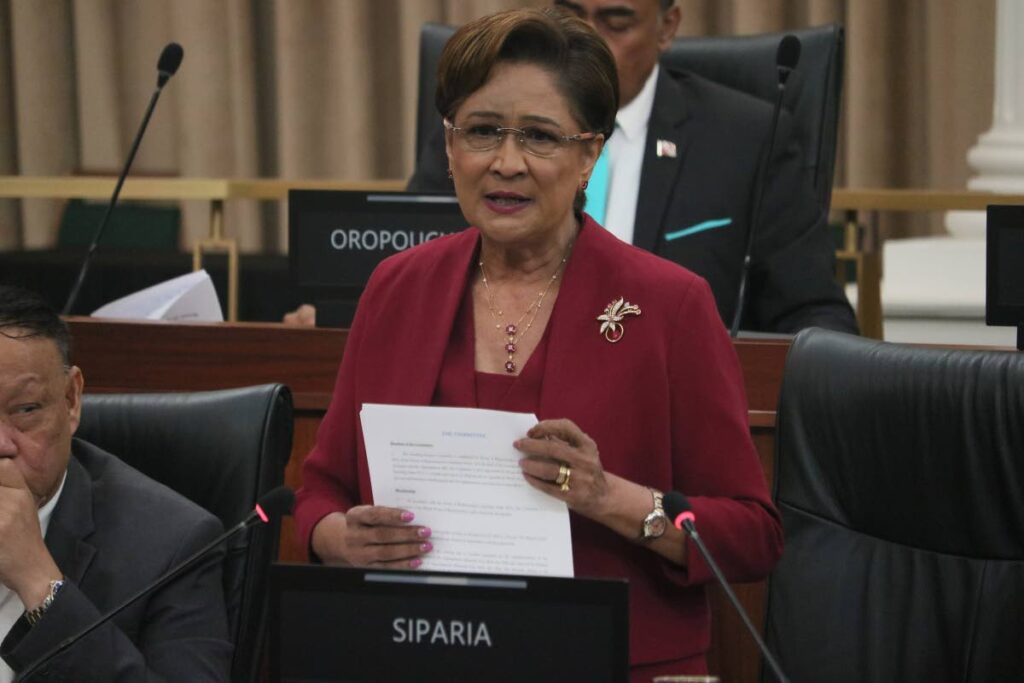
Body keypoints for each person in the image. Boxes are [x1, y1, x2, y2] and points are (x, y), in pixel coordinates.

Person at [294, 8, 782, 680]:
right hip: (422, 652)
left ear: (589, 154)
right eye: (483, 131)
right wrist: (338, 539)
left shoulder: (671, 304)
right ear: (448, 145)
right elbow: (321, 488)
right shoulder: (396, 288)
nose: (506, 163)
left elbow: (752, 535)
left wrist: (609, 495)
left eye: (540, 137)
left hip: (614, 662)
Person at [408, 0, 858, 334]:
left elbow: (816, 319)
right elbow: (404, 277)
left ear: (667, 26)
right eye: (569, 15)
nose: (585, 38)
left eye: (615, 22)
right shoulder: (479, 134)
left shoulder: (747, 139)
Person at [0, 285, 231, 681]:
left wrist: (40, 582)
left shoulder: (174, 545)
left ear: (72, 400)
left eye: (25, 410)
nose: (2, 445)